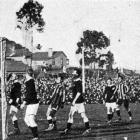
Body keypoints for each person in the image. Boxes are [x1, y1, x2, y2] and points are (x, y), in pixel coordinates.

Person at [60, 68, 91, 136]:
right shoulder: (75, 81)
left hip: (78, 102)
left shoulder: (78, 82)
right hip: (76, 102)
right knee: (70, 115)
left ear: (77, 74)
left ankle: (88, 129)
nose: (73, 74)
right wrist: (65, 87)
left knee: (82, 115)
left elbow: (79, 92)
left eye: (74, 73)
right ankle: (67, 129)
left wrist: (74, 101)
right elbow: (71, 88)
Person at [20, 68, 39, 140]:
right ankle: (35, 133)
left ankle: (35, 136)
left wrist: (23, 103)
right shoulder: (29, 81)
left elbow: (29, 94)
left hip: (33, 103)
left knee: (30, 119)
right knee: (26, 119)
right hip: (31, 103)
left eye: (25, 73)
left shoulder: (30, 82)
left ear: (27, 74)